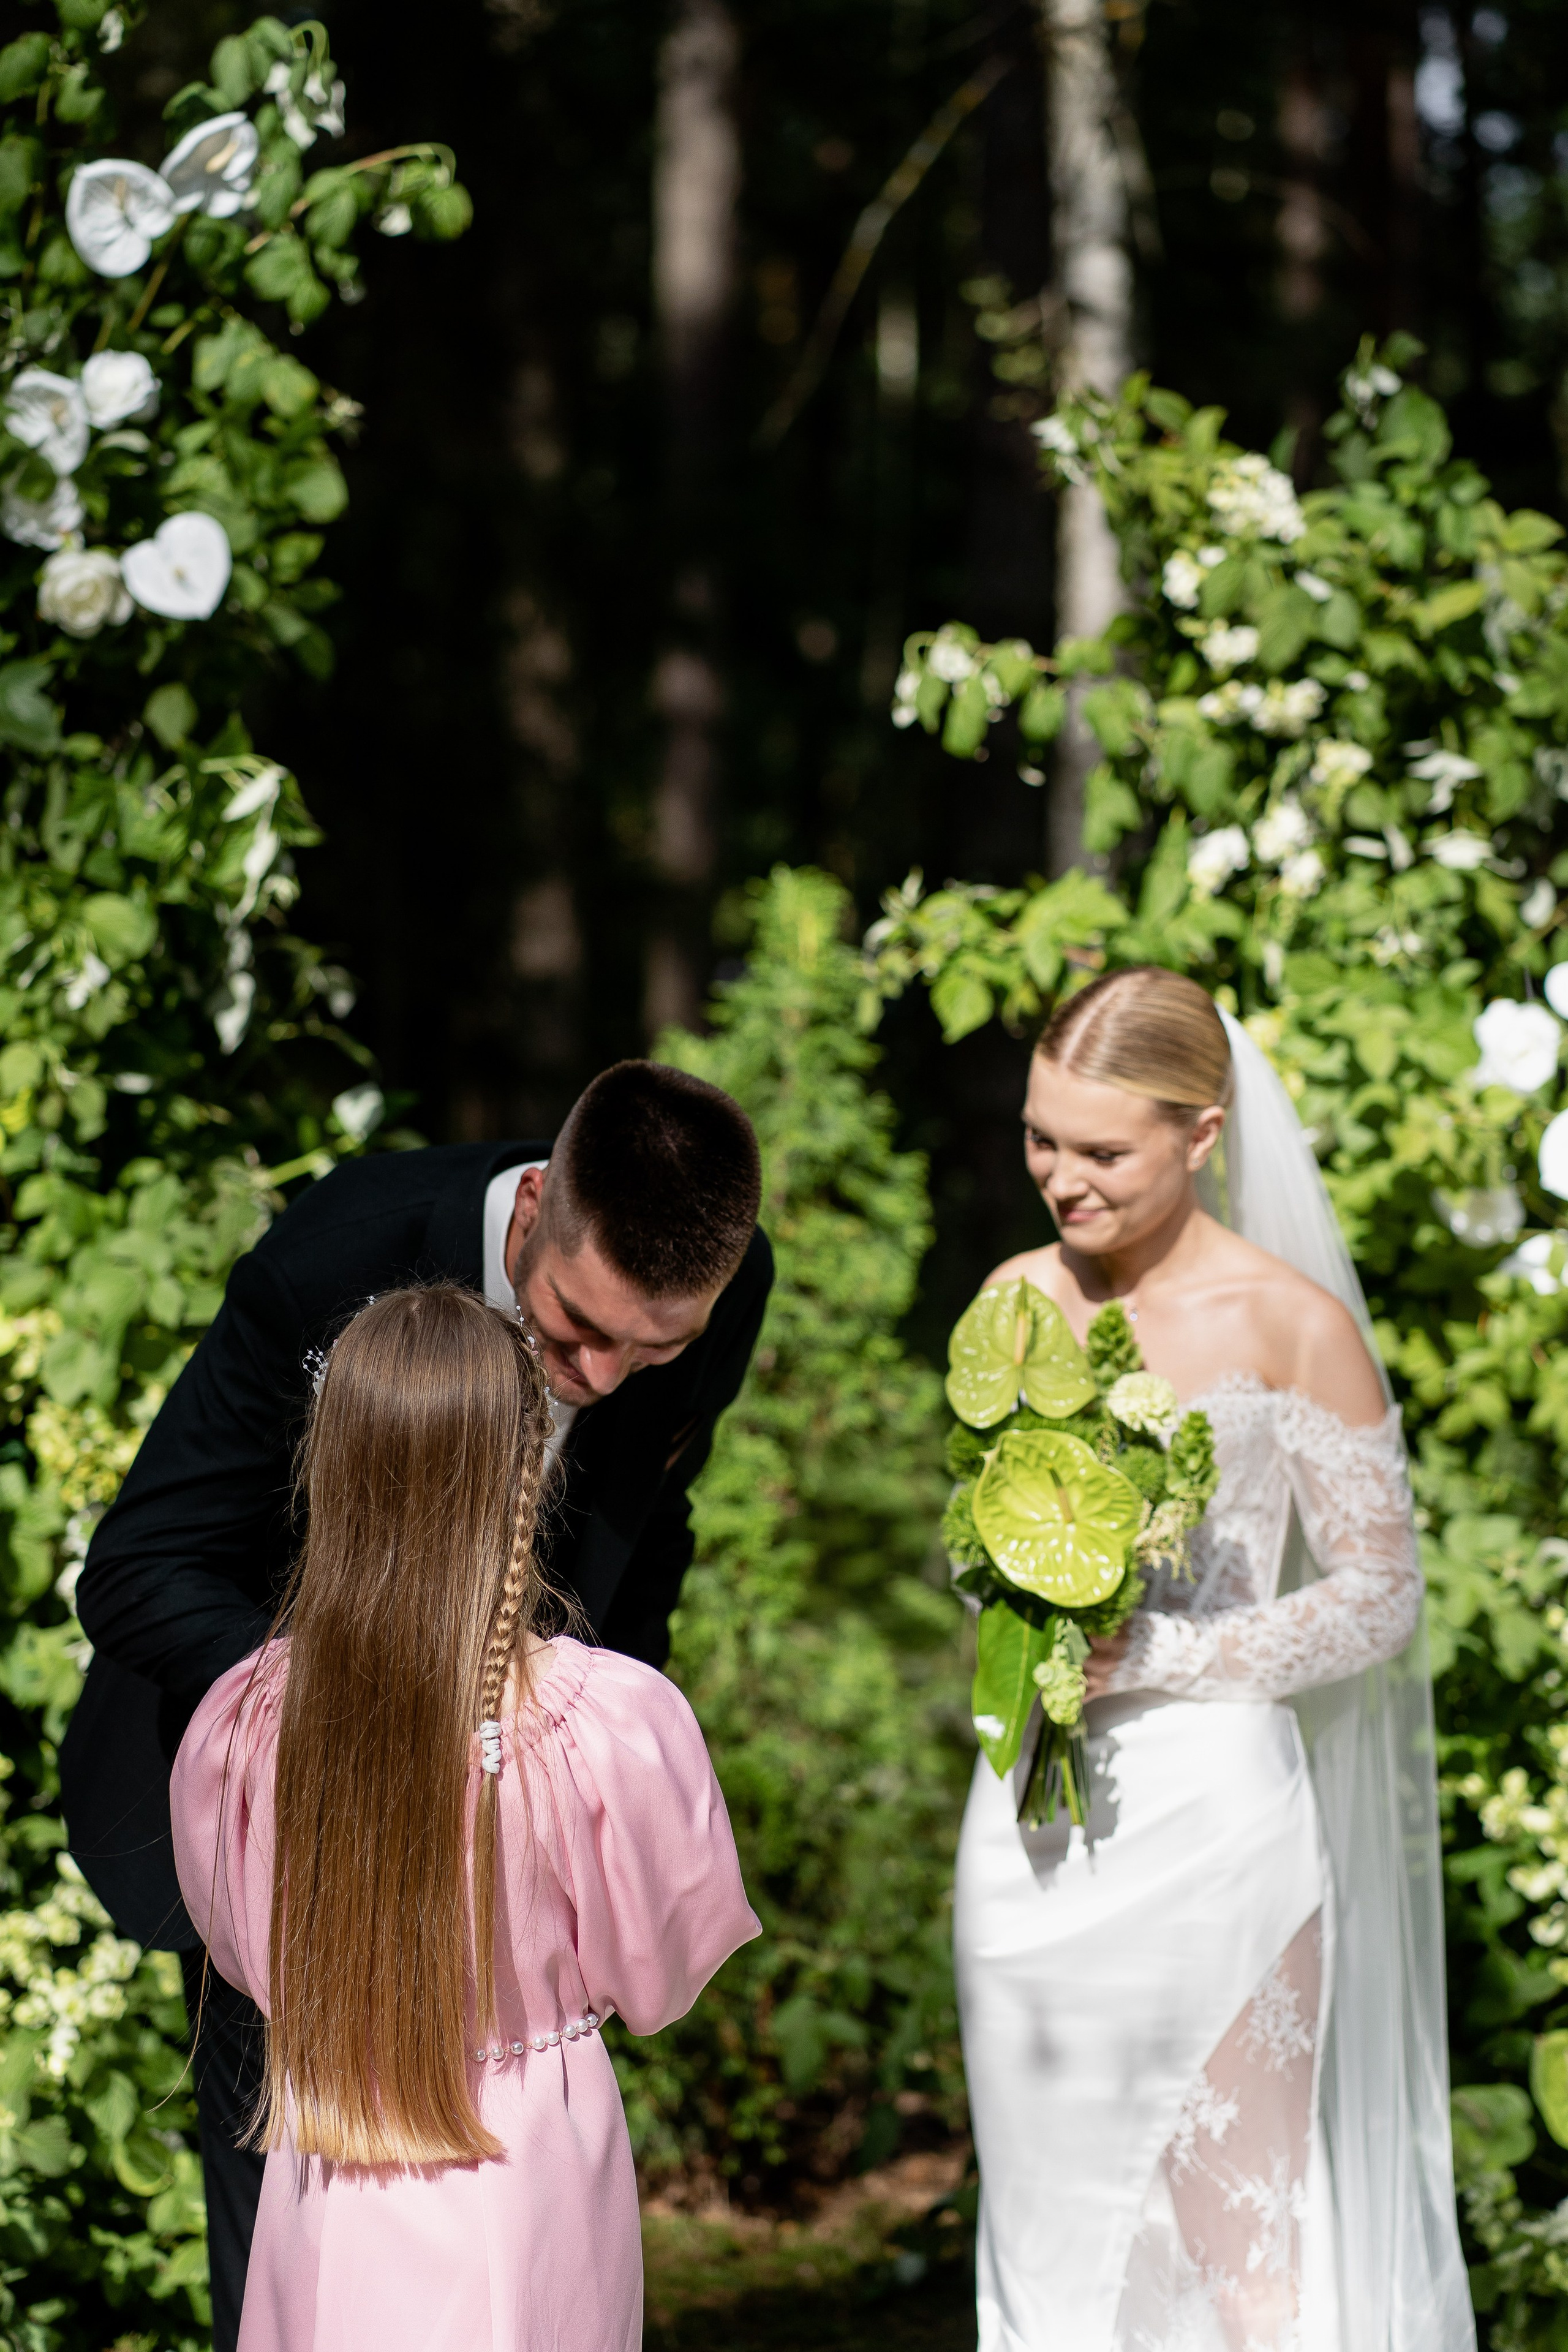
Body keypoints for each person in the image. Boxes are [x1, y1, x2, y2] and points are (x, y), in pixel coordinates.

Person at [60, 1057, 771, 2352]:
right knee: (289, 2257)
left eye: (649, 1348)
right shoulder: (337, 1254)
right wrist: (346, 1709)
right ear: (535, 1208)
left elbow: (639, 1518)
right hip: (302, 1836)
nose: (603, 1376)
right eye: (570, 1329)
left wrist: (586, 1747)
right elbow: (142, 1568)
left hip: (523, 1815)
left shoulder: (718, 1290)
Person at [952, 967, 1474, 2352]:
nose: (1060, 1180)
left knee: (1239, 2244)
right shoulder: (1009, 1303)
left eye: (1101, 1151)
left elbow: (1378, 1598)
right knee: (1044, 2233)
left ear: (1199, 1134)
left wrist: (1161, 1648)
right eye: (1038, 1139)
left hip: (1216, 1827)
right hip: (1029, 1840)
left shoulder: (1286, 1323)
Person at [170, 1283, 760, 2352]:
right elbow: (661, 1978)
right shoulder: (600, 1729)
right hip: (532, 2175)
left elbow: (250, 1952)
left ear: (329, 1463)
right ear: (527, 1475)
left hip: (332, 2173)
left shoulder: (248, 1725)